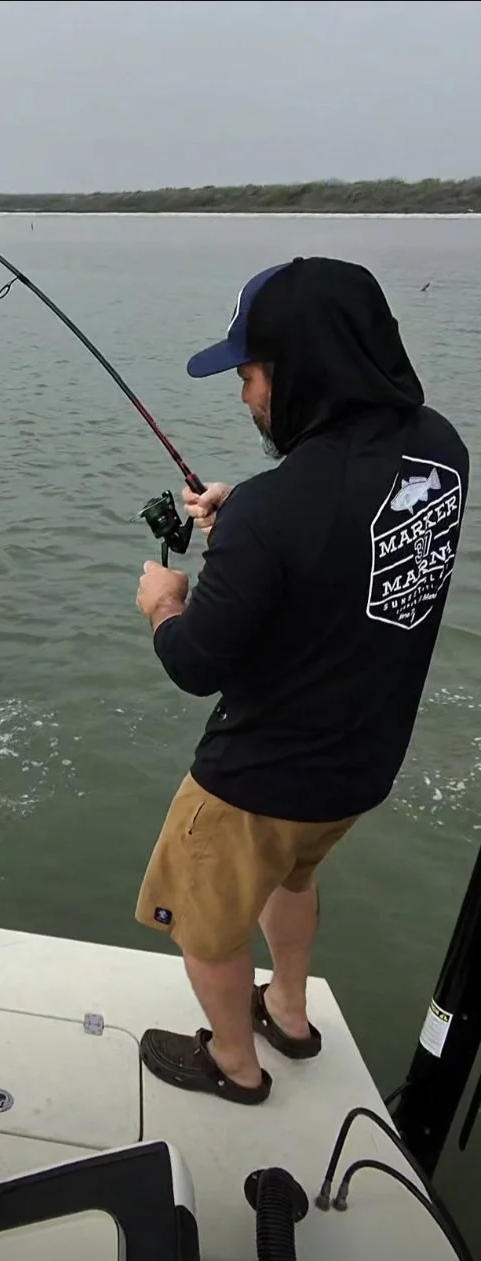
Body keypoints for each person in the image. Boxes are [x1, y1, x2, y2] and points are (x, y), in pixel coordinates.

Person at [133, 256, 469, 1105]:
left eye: (248, 373)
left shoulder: (276, 512)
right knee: (295, 876)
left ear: (299, 370)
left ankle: (237, 1066)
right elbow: (352, 524)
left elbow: (195, 664)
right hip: (359, 769)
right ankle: (289, 1008)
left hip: (258, 781)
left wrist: (165, 603)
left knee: (203, 923)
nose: (244, 394)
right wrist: (243, 512)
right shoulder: (440, 449)